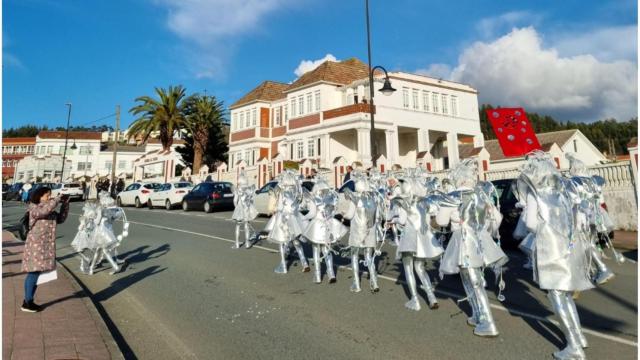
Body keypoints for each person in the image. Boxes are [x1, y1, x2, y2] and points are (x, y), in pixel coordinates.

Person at [519, 151, 593, 359]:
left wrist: (544, 230)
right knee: (567, 294)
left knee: (556, 295)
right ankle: (579, 337)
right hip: (568, 245)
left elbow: (531, 223)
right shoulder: (565, 189)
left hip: (549, 247)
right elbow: (578, 215)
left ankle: (574, 347)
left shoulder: (536, 193)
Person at [436, 159, 507, 337]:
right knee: (470, 279)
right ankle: (477, 314)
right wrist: (487, 233)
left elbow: (441, 222)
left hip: (464, 240)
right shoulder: (481, 195)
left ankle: (488, 323)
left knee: (473, 281)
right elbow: (497, 218)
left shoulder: (452, 196)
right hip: (481, 239)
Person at [21, 186, 70, 312]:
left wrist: (65, 204)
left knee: (36, 273)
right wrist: (57, 199)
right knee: (34, 272)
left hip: (46, 246)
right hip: (36, 246)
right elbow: (42, 212)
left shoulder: (49, 208)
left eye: (50, 195)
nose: (50, 197)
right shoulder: (34, 207)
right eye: (47, 195)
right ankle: (27, 302)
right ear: (39, 196)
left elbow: (61, 219)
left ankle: (28, 300)